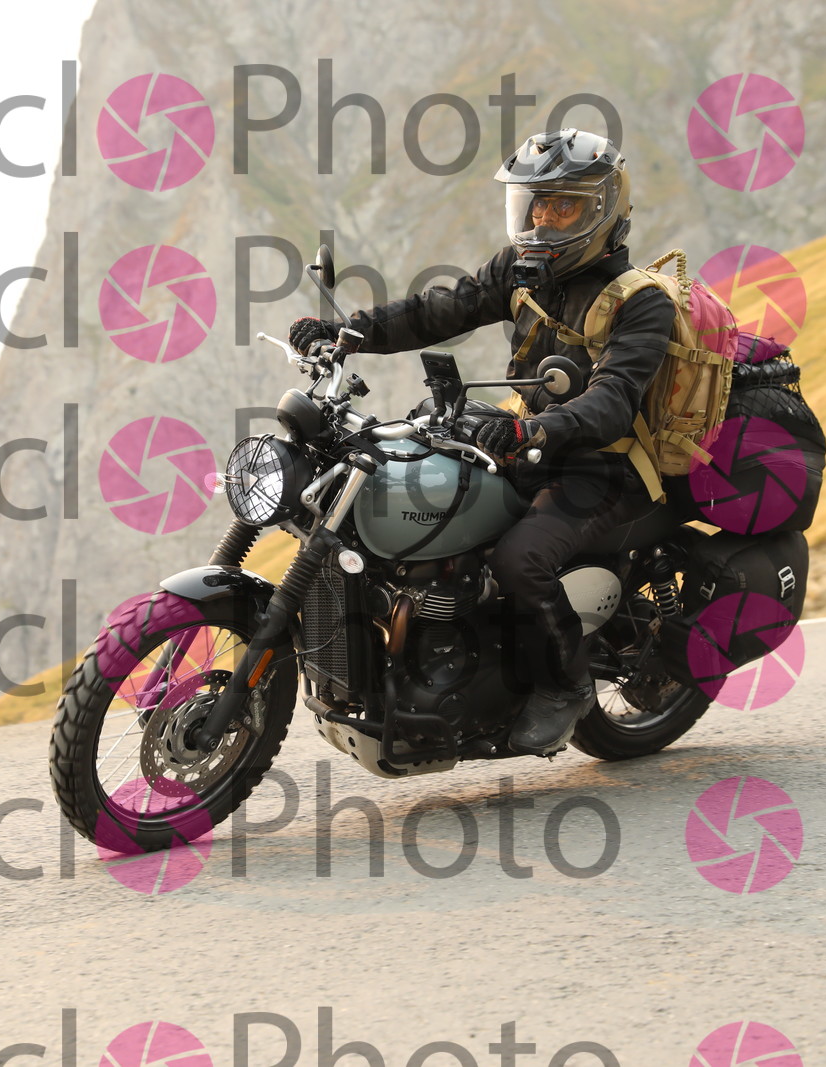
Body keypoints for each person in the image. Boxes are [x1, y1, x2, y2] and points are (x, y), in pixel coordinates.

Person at [288, 127, 674, 756]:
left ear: (603, 210)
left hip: (604, 465)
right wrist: (347, 332)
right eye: (534, 205)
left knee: (520, 559)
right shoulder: (520, 271)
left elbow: (612, 402)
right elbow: (438, 310)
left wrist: (533, 429)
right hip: (527, 442)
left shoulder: (641, 302)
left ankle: (566, 684)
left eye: (563, 207)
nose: (541, 222)